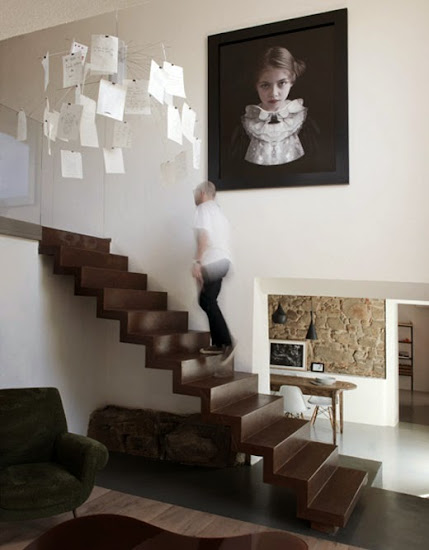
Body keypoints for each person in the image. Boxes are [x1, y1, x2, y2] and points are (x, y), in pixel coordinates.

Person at [192, 181, 235, 368]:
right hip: (224, 261)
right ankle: (219, 344)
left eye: (196, 192)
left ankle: (225, 343)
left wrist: (197, 262)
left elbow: (204, 237)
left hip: (213, 261)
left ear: (202, 193)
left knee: (207, 300)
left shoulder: (203, 209)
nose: (195, 196)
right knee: (207, 300)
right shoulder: (219, 212)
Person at [241, 46, 307, 166]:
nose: (274, 93)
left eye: (282, 83)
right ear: (256, 85)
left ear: (292, 81)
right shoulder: (244, 127)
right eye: (265, 85)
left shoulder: (305, 124)